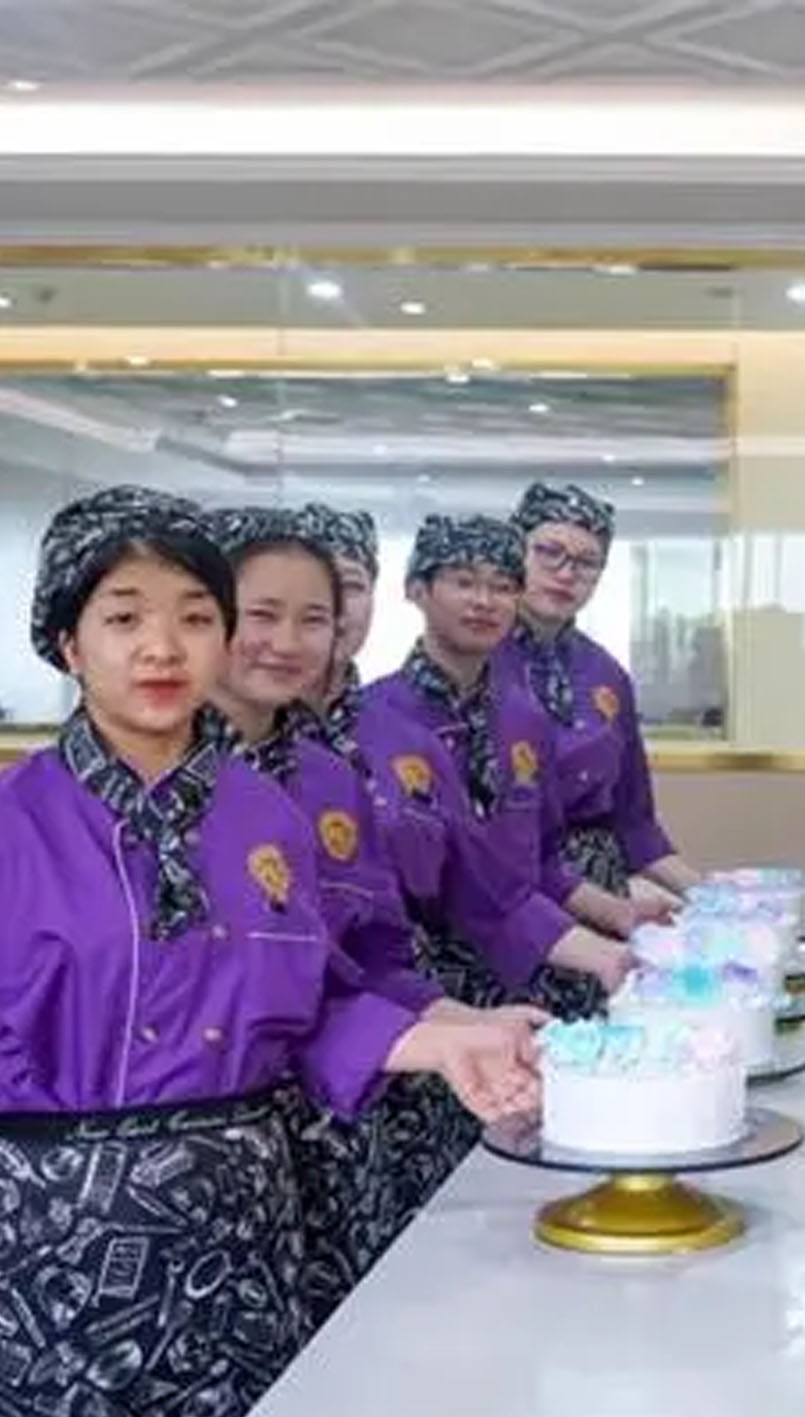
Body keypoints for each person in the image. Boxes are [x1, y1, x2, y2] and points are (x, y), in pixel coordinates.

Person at [0, 487, 535, 1417]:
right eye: (125, 617)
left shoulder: (270, 818)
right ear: (68, 642)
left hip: (240, 1228)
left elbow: (314, 1008)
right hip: (49, 1243)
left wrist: (446, 1042)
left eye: (195, 617)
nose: (163, 647)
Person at [207, 506, 540, 1327]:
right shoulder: (143, 793)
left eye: (315, 616)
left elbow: (377, 955)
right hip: (200, 1150)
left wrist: (469, 1024)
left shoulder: (328, 776)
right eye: (261, 615)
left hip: (342, 1120)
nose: (288, 641)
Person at [299, 503, 648, 1207]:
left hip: (431, 1009)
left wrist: (611, 948)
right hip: (301, 1051)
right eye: (464, 580)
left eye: (348, 588)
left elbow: (493, 889)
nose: (330, 614)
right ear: (420, 589)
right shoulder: (233, 765)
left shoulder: (401, 743)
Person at [370, 513, 632, 1020]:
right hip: (418, 989)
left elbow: (542, 861)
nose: (484, 602)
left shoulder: (523, 719)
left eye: (503, 586)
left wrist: (615, 921)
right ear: (416, 590)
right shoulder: (375, 718)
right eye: (463, 582)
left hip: (533, 967)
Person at [499, 481, 701, 899]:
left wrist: (712, 895)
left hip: (606, 895)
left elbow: (635, 823)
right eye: (549, 552)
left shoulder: (605, 675)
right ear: (515, 552)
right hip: (507, 892)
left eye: (587, 562)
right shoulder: (475, 662)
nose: (567, 573)